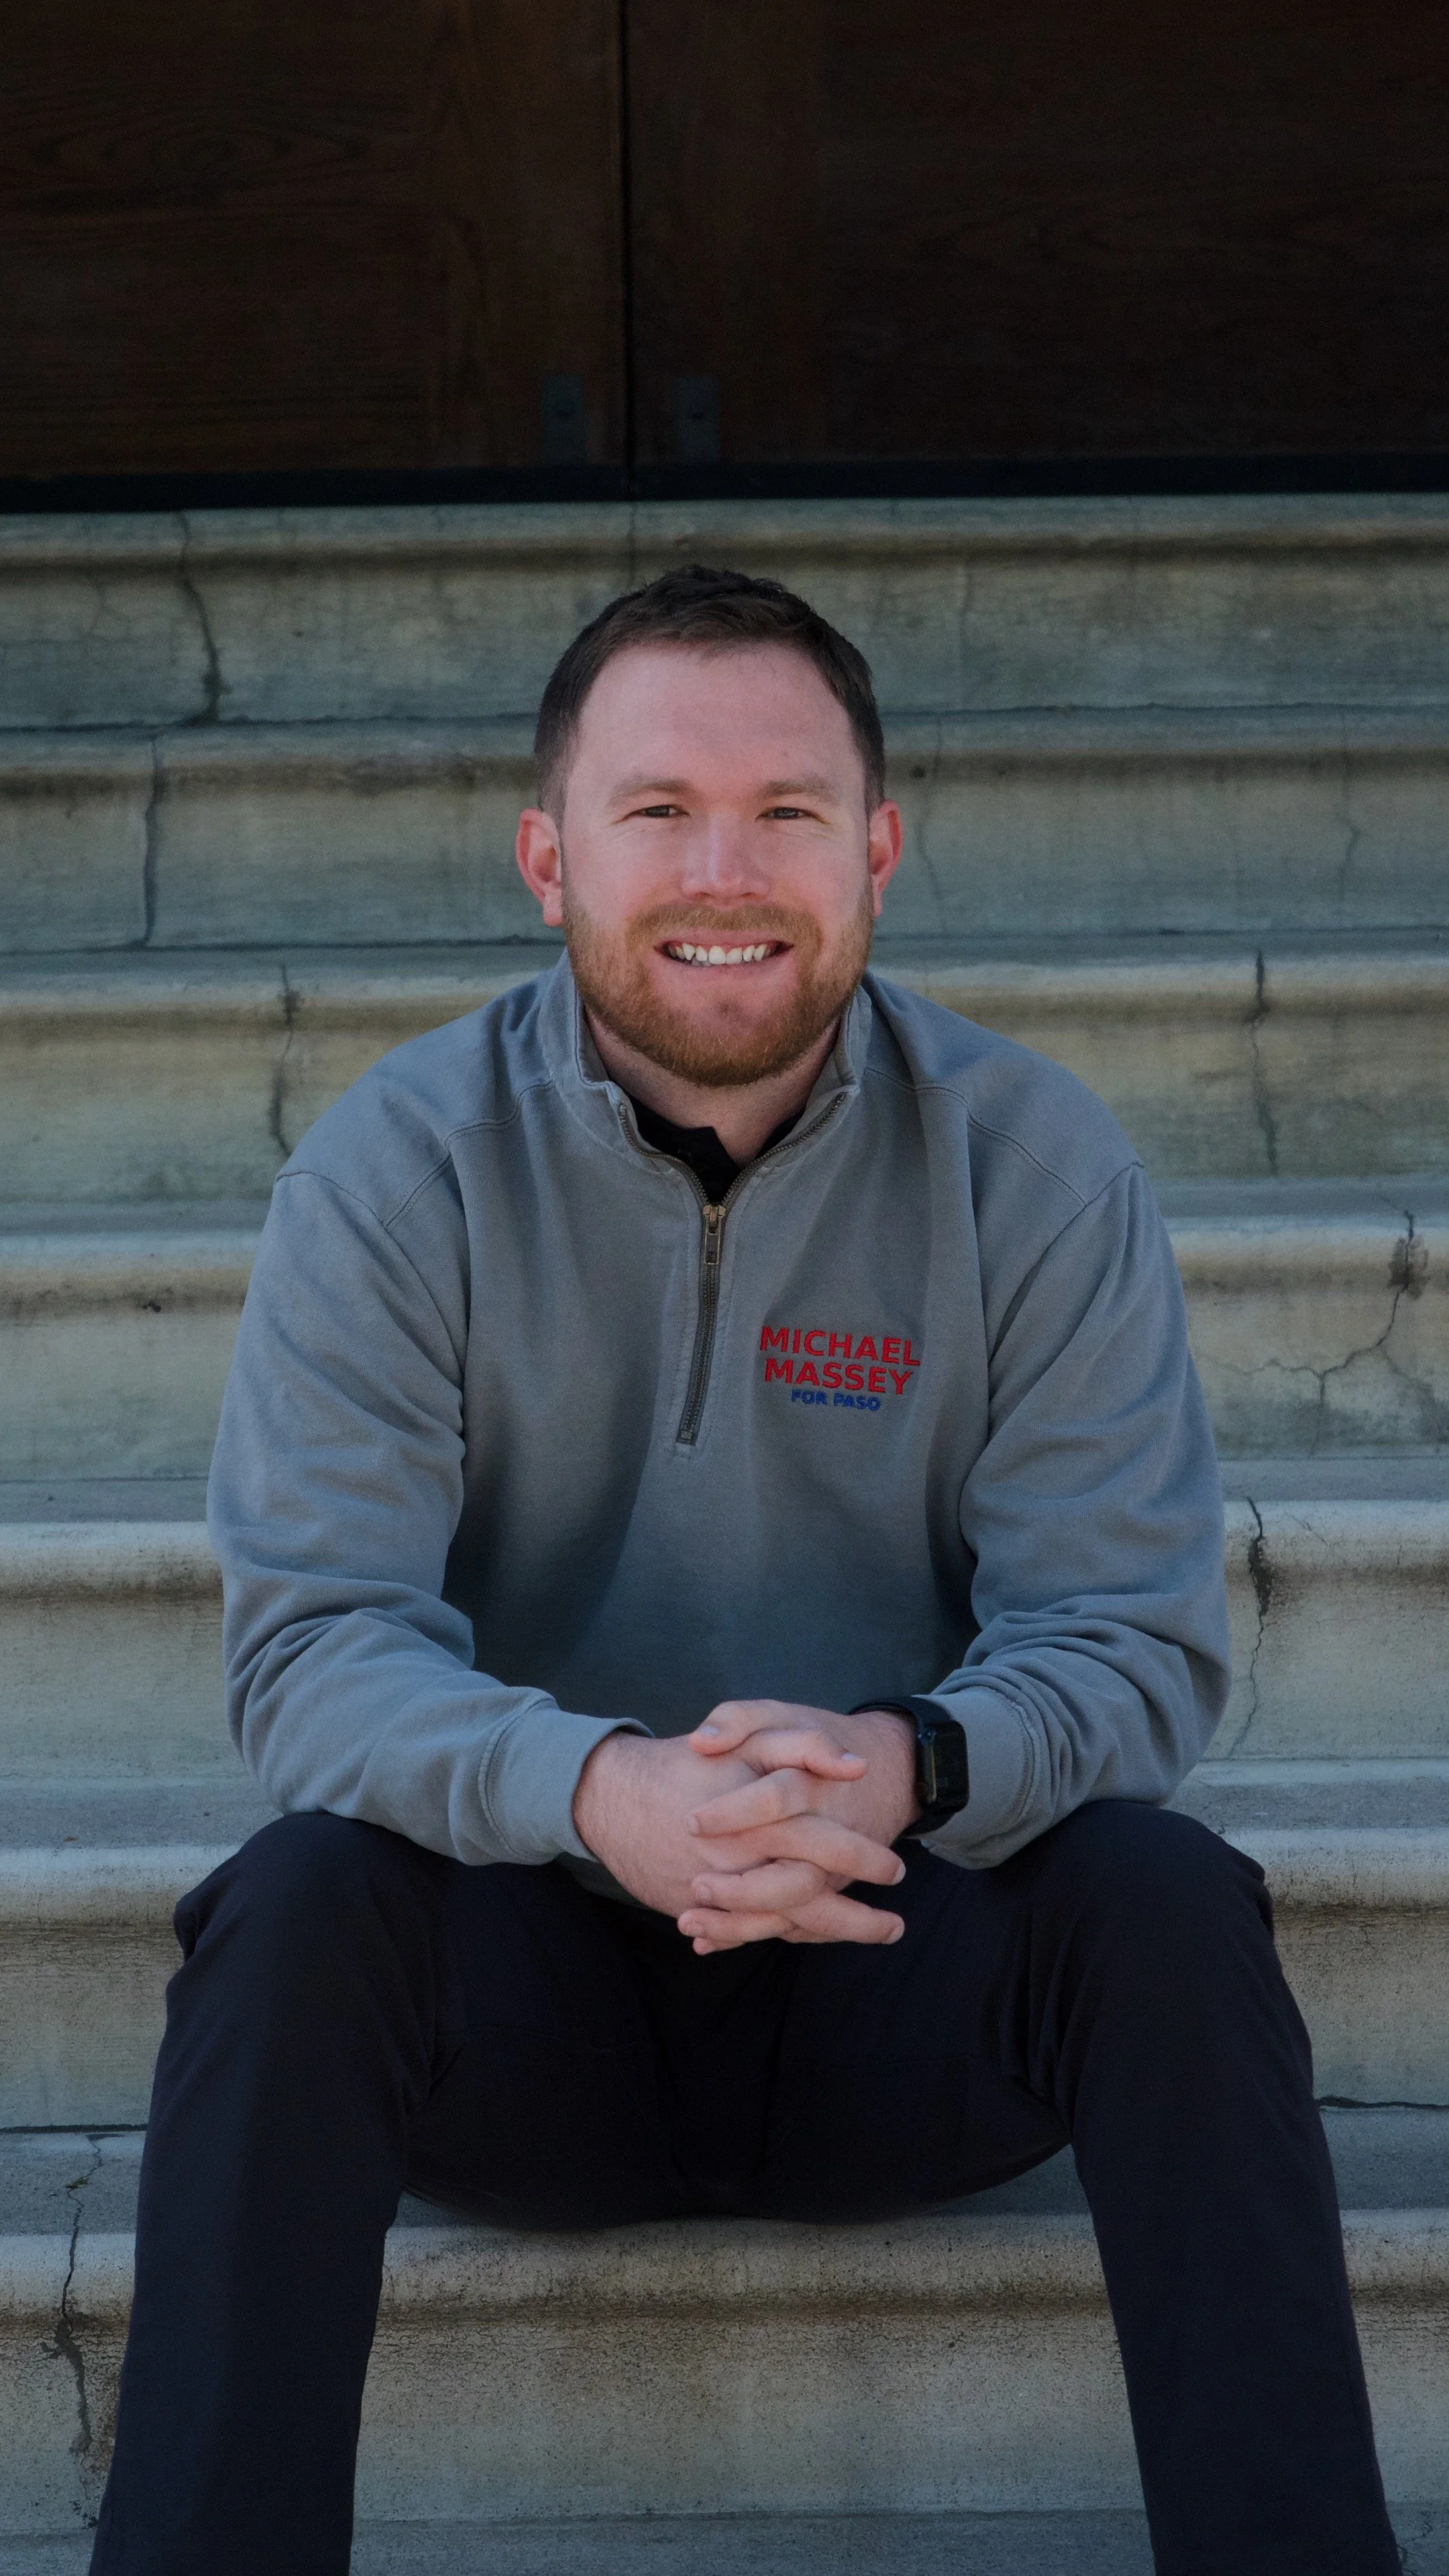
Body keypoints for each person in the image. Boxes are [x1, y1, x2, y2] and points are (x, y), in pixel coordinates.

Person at [90, 565, 1399, 2575]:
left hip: (895, 1960)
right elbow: (316, 1653)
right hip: (526, 1993)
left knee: (1167, 1902)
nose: (728, 869)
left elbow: (1128, 1641)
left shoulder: (1035, 1169)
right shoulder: (394, 1168)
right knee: (289, 1911)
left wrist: (909, 1769)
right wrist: (599, 1793)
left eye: (788, 811)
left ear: (877, 850)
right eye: (657, 812)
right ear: (549, 856)